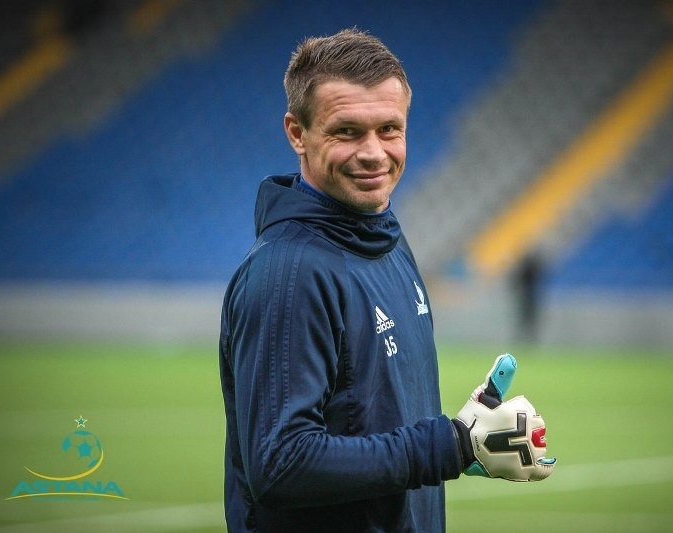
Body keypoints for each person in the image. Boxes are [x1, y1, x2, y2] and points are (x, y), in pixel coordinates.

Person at [219, 28, 554, 532]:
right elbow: (282, 463)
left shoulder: (388, 241)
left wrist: (468, 430)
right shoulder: (289, 274)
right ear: (297, 133)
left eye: (389, 129)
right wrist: (451, 445)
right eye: (347, 131)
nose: (374, 152)